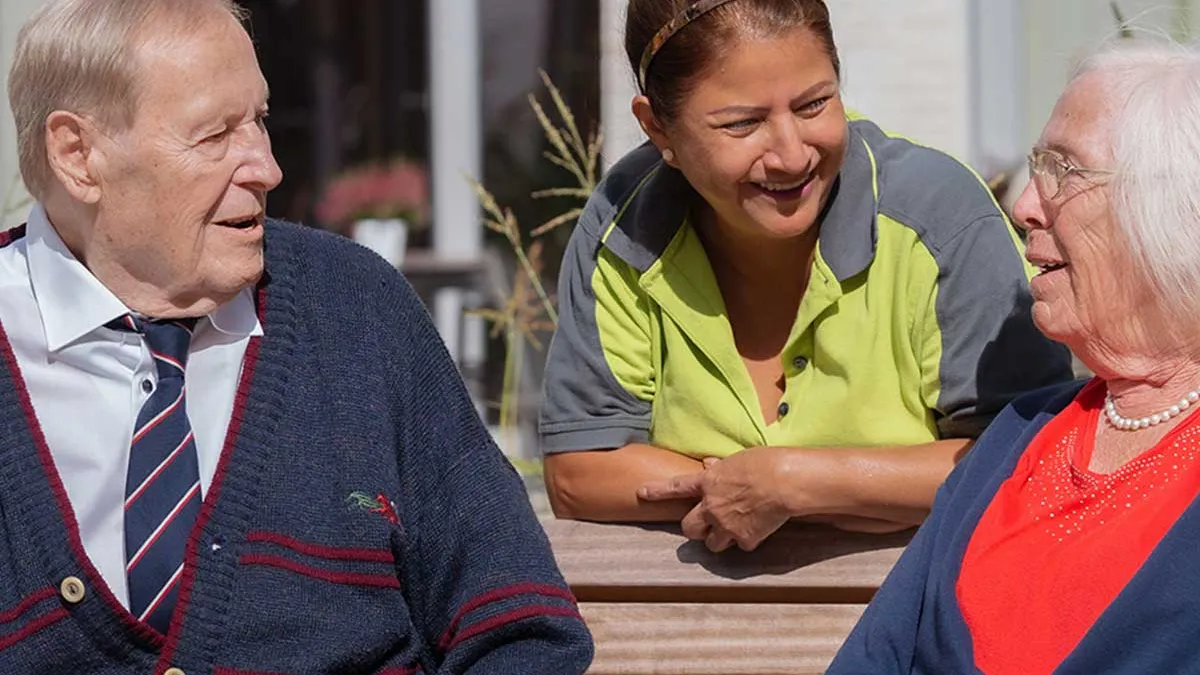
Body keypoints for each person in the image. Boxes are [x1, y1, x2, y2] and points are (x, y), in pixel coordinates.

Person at [0, 1, 592, 673]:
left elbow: (520, 629)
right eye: (214, 135)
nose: (266, 166)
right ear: (78, 156)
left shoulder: (354, 308)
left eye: (259, 120)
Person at [538, 0, 1072, 552]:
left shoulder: (942, 216)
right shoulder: (622, 222)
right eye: (743, 124)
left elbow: (1035, 462)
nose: (792, 157)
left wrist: (796, 485)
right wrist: (776, 494)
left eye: (814, 104)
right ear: (657, 127)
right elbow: (581, 474)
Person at [829, 40, 1200, 674]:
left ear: (1174, 207)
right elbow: (877, 655)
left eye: (1065, 170)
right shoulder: (1022, 431)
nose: (1025, 206)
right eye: (1036, 168)